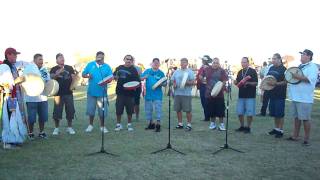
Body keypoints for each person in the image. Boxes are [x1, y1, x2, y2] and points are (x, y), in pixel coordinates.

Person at [287, 49, 318, 146]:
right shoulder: (300, 66)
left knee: (305, 119)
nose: (301, 56)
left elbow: (310, 80)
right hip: (296, 97)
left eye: (303, 54)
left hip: (304, 98)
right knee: (296, 118)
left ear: (309, 56)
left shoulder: (312, 67)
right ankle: (295, 136)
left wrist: (296, 76)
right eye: (301, 54)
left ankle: (306, 139)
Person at [0, 47, 28, 149]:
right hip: (8, 98)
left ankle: (15, 140)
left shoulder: (11, 66)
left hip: (14, 97)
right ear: (8, 55)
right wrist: (19, 80)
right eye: (14, 54)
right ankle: (8, 142)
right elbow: (6, 84)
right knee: (9, 119)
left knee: (15, 118)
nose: (16, 56)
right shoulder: (4, 67)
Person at [82, 51, 113, 133]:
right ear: (96, 57)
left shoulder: (107, 66)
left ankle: (102, 126)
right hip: (91, 92)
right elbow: (83, 74)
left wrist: (107, 80)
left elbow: (111, 77)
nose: (100, 59)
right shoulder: (90, 64)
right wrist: (88, 76)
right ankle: (90, 125)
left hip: (102, 92)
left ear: (104, 58)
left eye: (102, 57)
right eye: (99, 57)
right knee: (91, 110)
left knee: (102, 111)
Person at [25, 54, 50, 139]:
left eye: (42, 59)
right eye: (39, 59)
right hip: (32, 98)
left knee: (43, 117)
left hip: (43, 97)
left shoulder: (44, 70)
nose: (41, 61)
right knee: (31, 117)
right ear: (35, 60)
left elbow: (48, 81)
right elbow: (25, 80)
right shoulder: (29, 68)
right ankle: (30, 133)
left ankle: (41, 132)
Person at [50, 53, 76, 135]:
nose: (62, 59)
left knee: (70, 110)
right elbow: (51, 77)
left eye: (63, 57)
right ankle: (56, 128)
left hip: (69, 93)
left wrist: (74, 80)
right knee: (57, 111)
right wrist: (58, 73)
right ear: (56, 60)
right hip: (58, 94)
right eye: (60, 57)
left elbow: (73, 77)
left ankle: (69, 127)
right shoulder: (54, 68)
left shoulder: (69, 67)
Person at [113, 55, 140, 131]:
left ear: (131, 61)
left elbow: (137, 81)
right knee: (119, 109)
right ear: (124, 59)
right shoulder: (119, 67)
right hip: (120, 92)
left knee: (130, 110)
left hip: (130, 93)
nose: (128, 60)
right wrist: (115, 77)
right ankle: (118, 125)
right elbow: (114, 76)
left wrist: (134, 86)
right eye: (127, 59)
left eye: (130, 59)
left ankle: (129, 125)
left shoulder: (133, 69)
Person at [200, 57, 227, 131]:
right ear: (212, 63)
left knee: (220, 110)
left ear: (219, 64)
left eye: (217, 63)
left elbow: (224, 80)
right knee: (211, 109)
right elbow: (200, 76)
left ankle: (221, 124)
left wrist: (219, 87)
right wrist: (203, 80)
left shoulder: (222, 71)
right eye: (214, 63)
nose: (215, 64)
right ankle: (212, 124)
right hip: (209, 93)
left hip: (219, 93)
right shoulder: (207, 69)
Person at [141, 58, 166, 132]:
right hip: (148, 94)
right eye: (154, 62)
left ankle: (158, 124)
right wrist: (144, 77)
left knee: (158, 109)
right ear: (152, 63)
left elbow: (165, 83)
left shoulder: (161, 73)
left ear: (159, 64)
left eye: (157, 63)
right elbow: (140, 78)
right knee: (148, 109)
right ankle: (151, 124)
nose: (156, 64)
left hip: (157, 95)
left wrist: (161, 84)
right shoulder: (147, 71)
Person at [234, 57, 258, 133]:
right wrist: (235, 82)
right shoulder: (239, 72)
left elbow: (256, 83)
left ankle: (248, 127)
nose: (243, 64)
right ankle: (242, 126)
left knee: (249, 113)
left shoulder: (252, 71)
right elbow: (238, 83)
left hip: (250, 96)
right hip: (241, 95)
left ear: (248, 63)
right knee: (240, 112)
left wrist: (248, 83)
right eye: (242, 62)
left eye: (244, 62)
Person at [265, 53, 287, 138]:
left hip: (280, 95)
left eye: (274, 59)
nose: (272, 60)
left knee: (280, 114)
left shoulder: (284, 69)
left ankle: (281, 131)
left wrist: (275, 83)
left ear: (279, 59)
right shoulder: (271, 67)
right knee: (274, 113)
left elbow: (285, 81)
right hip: (272, 94)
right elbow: (267, 78)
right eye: (272, 59)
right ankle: (276, 129)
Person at [171, 58, 195, 131]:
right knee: (178, 110)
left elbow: (193, 82)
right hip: (177, 93)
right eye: (181, 62)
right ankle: (180, 124)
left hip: (186, 94)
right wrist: (174, 84)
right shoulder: (176, 72)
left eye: (184, 62)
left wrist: (187, 83)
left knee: (188, 110)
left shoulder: (190, 72)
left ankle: (189, 124)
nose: (182, 64)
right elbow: (172, 80)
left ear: (187, 63)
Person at [196, 55, 212, 121]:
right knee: (203, 101)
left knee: (206, 101)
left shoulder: (208, 67)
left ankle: (208, 116)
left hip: (206, 86)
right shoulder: (202, 67)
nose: (202, 61)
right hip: (202, 85)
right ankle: (207, 116)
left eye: (203, 60)